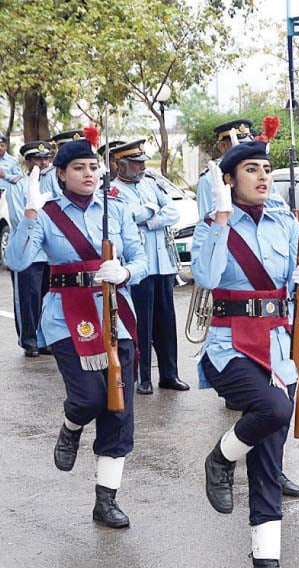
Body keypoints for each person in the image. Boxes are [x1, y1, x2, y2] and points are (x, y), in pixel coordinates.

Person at [192, 140, 299, 568]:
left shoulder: (286, 222)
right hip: (230, 345)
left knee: (269, 458)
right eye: (251, 169)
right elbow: (206, 277)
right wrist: (222, 220)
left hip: (278, 343)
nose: (264, 176)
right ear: (229, 180)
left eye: (267, 168)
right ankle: (221, 457)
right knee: (271, 408)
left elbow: (297, 279)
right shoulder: (213, 226)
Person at [6, 136, 148, 528]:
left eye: (92, 167)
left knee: (118, 408)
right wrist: (31, 213)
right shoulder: (49, 213)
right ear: (62, 174)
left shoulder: (115, 209)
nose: (88, 174)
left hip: (116, 312)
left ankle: (106, 500)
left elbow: (140, 257)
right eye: (78, 168)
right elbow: (17, 260)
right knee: (88, 399)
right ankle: (71, 426)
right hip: (68, 315)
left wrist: (126, 272)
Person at [111, 140, 189, 395]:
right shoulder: (113, 191)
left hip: (162, 263)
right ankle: (143, 377)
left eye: (143, 162)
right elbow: (130, 217)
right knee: (141, 324)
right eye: (136, 163)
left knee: (166, 323)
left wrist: (151, 217)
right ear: (120, 164)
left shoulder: (150, 184)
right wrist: (151, 211)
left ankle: (169, 374)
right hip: (139, 266)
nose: (141, 167)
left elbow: (172, 212)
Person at [6, 141, 55, 357]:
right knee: (29, 298)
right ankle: (29, 339)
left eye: (46, 158)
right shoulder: (18, 185)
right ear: (27, 161)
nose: (43, 163)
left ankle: (45, 339)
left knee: (48, 298)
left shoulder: (55, 182)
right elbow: (20, 217)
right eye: (37, 158)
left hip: (51, 251)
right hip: (29, 251)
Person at [196, 119, 254, 220]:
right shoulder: (208, 179)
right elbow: (205, 223)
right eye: (239, 146)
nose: (244, 151)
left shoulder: (255, 172)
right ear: (223, 147)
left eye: (247, 145)